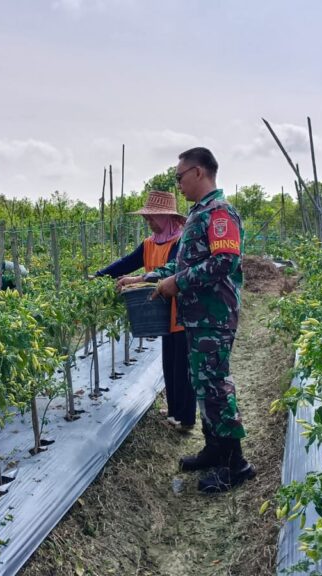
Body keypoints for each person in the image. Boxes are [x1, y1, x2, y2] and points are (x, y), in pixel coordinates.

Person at [119, 147, 253, 493]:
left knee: (217, 386)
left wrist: (176, 283)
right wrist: (146, 278)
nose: (177, 183)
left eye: (179, 177)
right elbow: (183, 266)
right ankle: (214, 448)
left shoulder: (220, 213)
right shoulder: (199, 213)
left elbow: (225, 262)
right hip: (196, 316)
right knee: (203, 384)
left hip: (214, 315)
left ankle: (235, 463)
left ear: (198, 172)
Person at [96, 190, 196, 431]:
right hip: (162, 314)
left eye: (152, 218)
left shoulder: (180, 242)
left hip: (182, 313)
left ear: (167, 218)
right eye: (146, 218)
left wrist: (137, 278)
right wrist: (98, 276)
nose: (148, 222)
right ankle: (174, 413)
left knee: (182, 368)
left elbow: (170, 271)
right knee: (169, 364)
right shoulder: (150, 244)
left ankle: (186, 419)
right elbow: (126, 262)